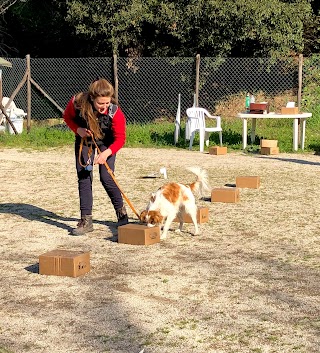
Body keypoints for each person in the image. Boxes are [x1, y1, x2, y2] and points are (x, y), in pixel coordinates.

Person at [63, 78, 128, 236]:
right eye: (101, 104)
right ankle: (86, 221)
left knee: (106, 177)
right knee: (84, 176)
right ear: (92, 98)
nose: (104, 107)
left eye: (107, 103)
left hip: (108, 144)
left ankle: (122, 214)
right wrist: (77, 129)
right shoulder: (77, 103)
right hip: (85, 140)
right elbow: (67, 117)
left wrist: (106, 153)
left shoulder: (115, 111)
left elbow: (120, 138)